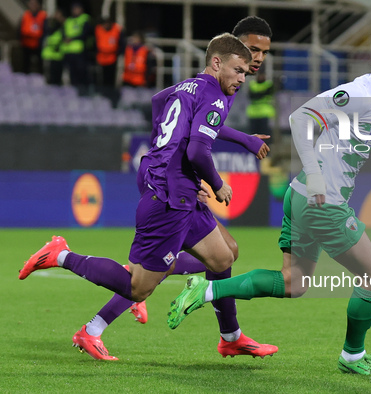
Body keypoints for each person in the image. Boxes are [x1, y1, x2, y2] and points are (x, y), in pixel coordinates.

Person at [167, 26, 371, 375]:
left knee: (294, 282)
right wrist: (315, 174)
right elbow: (299, 117)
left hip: (300, 197)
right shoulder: (358, 93)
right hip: (322, 201)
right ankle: (353, 357)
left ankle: (207, 289)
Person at [19, 33, 261, 361]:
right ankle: (61, 255)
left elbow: (160, 107)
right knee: (138, 288)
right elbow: (197, 149)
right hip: (169, 194)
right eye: (239, 70)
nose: (243, 78)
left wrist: (189, 170)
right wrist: (216, 183)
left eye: (247, 72)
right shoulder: (215, 95)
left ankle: (230, 336)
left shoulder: (184, 87)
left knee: (223, 256)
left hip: (167, 178)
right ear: (217, 62)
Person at [95, 16, 125, 106]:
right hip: (101, 59)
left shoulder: (117, 30)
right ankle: (102, 95)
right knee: (101, 78)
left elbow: (121, 44)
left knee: (111, 79)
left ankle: (110, 95)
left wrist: (117, 53)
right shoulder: (98, 30)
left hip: (112, 59)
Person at [61, 2, 92, 93]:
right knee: (72, 73)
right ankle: (74, 92)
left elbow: (85, 34)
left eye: (77, 8)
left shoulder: (84, 19)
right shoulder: (68, 21)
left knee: (81, 72)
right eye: (74, 9)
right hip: (69, 51)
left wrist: (72, 38)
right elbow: (64, 32)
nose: (75, 10)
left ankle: (83, 91)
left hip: (79, 51)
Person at [19, 0, 47, 74]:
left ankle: (41, 80)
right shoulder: (26, 15)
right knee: (25, 63)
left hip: (38, 44)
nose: (33, 6)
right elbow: (20, 28)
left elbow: (45, 29)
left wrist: (42, 40)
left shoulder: (43, 15)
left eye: (35, 4)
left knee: (40, 64)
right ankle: (24, 80)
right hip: (26, 43)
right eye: (31, 4)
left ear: (38, 5)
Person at [247, 68, 275, 135]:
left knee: (264, 131)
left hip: (265, 112)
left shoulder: (268, 85)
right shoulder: (252, 84)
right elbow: (251, 95)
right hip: (254, 112)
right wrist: (262, 93)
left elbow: (256, 95)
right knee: (254, 132)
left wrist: (258, 94)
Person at [41, 9, 64, 85]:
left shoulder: (63, 26)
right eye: (57, 14)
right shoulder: (50, 23)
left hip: (58, 56)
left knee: (58, 78)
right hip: (49, 55)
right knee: (49, 78)